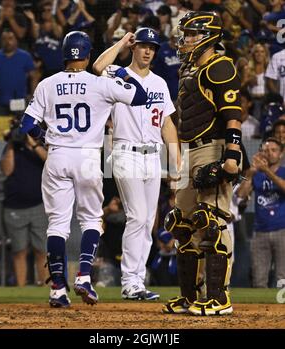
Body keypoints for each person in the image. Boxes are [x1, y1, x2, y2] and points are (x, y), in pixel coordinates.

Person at [19, 30, 148, 308]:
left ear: (65, 54)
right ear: (88, 54)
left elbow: (27, 125)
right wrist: (122, 75)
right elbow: (140, 97)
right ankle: (84, 277)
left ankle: (56, 289)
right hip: (88, 156)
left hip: (57, 155)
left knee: (57, 225)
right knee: (91, 221)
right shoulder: (99, 84)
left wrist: (48, 139)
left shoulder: (46, 84)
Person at [162, 11, 242, 316]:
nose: (187, 40)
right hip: (188, 150)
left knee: (212, 221)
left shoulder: (220, 65)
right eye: (187, 34)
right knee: (181, 223)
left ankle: (219, 298)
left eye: (193, 34)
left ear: (208, 36)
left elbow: (233, 113)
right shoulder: (188, 68)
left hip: (213, 147)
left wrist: (232, 155)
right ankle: (190, 297)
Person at [93, 27, 180, 300]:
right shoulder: (117, 75)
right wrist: (120, 41)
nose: (147, 51)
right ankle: (130, 281)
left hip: (153, 155)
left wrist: (177, 163)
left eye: (152, 47)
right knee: (138, 216)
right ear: (134, 47)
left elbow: (167, 124)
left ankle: (137, 281)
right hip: (125, 152)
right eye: (143, 45)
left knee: (147, 221)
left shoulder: (159, 83)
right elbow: (97, 66)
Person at [0, 117, 48, 287]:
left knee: (42, 250)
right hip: (14, 207)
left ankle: (44, 287)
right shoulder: (10, 147)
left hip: (38, 205)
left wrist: (32, 143)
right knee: (19, 251)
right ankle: (20, 291)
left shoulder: (39, 146)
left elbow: (49, 161)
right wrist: (12, 143)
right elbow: (6, 170)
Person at [237, 137, 285, 288]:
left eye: (273, 150)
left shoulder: (283, 171)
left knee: (282, 279)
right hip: (259, 232)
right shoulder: (257, 174)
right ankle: (260, 312)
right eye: (265, 150)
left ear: (281, 154)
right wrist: (250, 174)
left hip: (282, 230)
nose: (269, 153)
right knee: (259, 279)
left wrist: (267, 171)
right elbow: (241, 195)